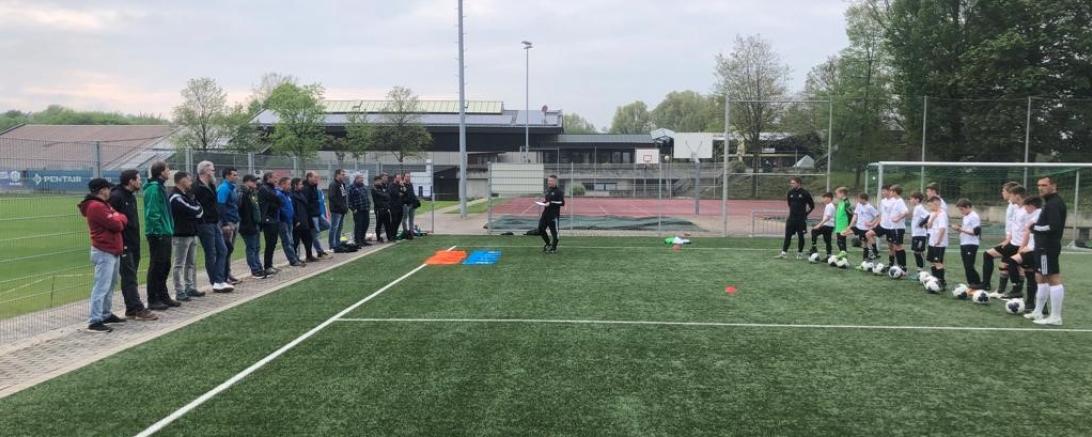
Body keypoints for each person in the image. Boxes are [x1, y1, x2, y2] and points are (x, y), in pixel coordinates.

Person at [79, 178, 128, 333]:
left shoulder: (104, 205)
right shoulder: (96, 206)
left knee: (110, 285)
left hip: (111, 250)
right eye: (108, 188)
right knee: (101, 286)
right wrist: (118, 217)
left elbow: (121, 217)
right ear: (102, 190)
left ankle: (105, 314)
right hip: (104, 250)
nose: (110, 191)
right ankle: (95, 320)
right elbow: (117, 224)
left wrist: (118, 217)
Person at [108, 169, 156, 321]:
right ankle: (138, 308)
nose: (140, 181)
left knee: (131, 276)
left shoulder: (131, 196)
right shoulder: (116, 196)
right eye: (138, 179)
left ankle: (130, 309)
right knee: (129, 277)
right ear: (131, 181)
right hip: (123, 244)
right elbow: (111, 220)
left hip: (134, 243)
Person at [1028, 176, 1068, 326]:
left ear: (1053, 186)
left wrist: (1035, 227)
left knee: (1052, 278)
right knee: (1041, 277)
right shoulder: (1049, 202)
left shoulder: (1054, 203)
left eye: (1044, 185)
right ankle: (1038, 311)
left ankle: (1056, 317)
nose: (1040, 188)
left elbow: (1053, 227)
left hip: (1047, 247)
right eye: (1039, 185)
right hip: (1042, 247)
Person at [193, 161, 232, 293]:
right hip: (204, 224)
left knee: (223, 250)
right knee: (211, 252)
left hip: (214, 223)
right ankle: (216, 281)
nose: (214, 172)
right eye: (212, 170)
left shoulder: (211, 185)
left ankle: (220, 279)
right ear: (205, 171)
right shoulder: (197, 187)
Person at [143, 161, 177, 310]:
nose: (169, 171)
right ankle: (153, 299)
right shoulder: (154, 189)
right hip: (158, 233)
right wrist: (158, 232)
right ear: (161, 172)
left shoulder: (160, 187)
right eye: (167, 169)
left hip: (165, 231)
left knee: (165, 265)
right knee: (156, 265)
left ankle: (163, 295)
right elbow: (152, 212)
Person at [169, 172, 204, 302]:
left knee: (191, 263)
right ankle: (180, 291)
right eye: (189, 180)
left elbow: (199, 211)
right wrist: (197, 209)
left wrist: (197, 209)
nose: (191, 183)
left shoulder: (187, 195)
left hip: (192, 232)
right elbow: (195, 210)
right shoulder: (176, 197)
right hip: (181, 234)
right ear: (182, 180)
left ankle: (190, 287)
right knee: (179, 264)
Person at [982, 183, 1022, 295]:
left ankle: (986, 284)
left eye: (1003, 190)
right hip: (1012, 240)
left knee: (988, 255)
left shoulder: (1015, 206)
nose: (1002, 193)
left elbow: (1016, 225)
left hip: (1015, 241)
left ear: (1010, 192)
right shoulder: (1011, 205)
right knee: (1004, 265)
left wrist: (1009, 239)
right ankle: (1001, 291)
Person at [1010, 197, 1043, 307]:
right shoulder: (1035, 215)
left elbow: (1028, 230)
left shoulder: (1039, 214)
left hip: (1035, 249)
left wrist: (1023, 247)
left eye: (1026, 207)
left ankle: (1017, 288)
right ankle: (1030, 302)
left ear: (1031, 206)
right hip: (1032, 248)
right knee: (1030, 275)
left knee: (1014, 262)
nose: (1025, 209)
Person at [237, 174, 267, 279]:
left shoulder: (252, 193)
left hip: (255, 224)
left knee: (257, 247)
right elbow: (240, 210)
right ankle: (255, 270)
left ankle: (259, 267)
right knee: (251, 248)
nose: (255, 183)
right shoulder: (242, 194)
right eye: (253, 181)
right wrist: (246, 223)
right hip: (247, 225)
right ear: (246, 181)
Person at [779, 176, 814, 259]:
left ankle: (799, 253)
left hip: (801, 219)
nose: (792, 184)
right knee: (787, 235)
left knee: (801, 236)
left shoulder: (805, 193)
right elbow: (789, 204)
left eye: (793, 183)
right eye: (791, 183)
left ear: (798, 183)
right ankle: (783, 253)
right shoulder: (790, 192)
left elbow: (812, 206)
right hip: (791, 218)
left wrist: (805, 214)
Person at [217, 167, 241, 285]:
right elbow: (220, 206)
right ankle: (223, 276)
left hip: (234, 221)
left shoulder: (233, 188)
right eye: (234, 175)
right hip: (228, 223)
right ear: (227, 175)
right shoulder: (223, 188)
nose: (236, 177)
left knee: (229, 250)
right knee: (225, 250)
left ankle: (228, 273)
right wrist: (225, 223)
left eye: (236, 175)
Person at [951, 199, 982, 288]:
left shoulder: (974, 216)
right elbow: (967, 229)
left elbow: (976, 232)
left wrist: (960, 229)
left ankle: (976, 283)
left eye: (962, 209)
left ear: (968, 207)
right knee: (966, 265)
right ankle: (972, 283)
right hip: (964, 243)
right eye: (960, 209)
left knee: (969, 265)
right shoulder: (965, 216)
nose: (961, 211)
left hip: (971, 244)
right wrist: (959, 228)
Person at [276, 177, 305, 267]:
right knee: (287, 241)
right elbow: (280, 209)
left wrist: (293, 218)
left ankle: (295, 257)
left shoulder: (287, 195)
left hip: (289, 220)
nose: (290, 186)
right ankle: (293, 260)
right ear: (283, 184)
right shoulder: (279, 194)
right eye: (288, 184)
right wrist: (284, 217)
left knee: (291, 241)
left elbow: (290, 208)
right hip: (283, 221)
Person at [258, 172, 282, 275]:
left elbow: (278, 201)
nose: (276, 179)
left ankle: (270, 265)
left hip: (273, 218)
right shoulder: (264, 189)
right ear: (268, 178)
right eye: (275, 177)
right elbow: (277, 199)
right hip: (268, 219)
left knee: (273, 243)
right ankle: (267, 266)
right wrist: (276, 201)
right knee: (270, 243)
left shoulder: (271, 188)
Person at [845, 193, 879, 261]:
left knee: (866, 242)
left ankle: (875, 251)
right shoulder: (859, 205)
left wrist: (871, 223)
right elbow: (855, 215)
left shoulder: (869, 207)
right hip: (858, 227)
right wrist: (850, 226)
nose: (858, 200)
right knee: (863, 243)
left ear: (863, 199)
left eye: (859, 199)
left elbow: (877, 216)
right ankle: (865, 258)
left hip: (866, 229)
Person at [302, 172, 328, 258]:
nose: (317, 179)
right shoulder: (306, 188)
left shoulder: (314, 187)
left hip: (318, 213)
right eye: (315, 177)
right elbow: (306, 203)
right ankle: (319, 251)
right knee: (314, 234)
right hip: (312, 215)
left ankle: (315, 235)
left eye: (317, 177)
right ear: (309, 177)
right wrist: (311, 213)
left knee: (327, 225)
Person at [925, 196, 949, 290]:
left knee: (938, 262)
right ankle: (935, 280)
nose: (929, 207)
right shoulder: (932, 213)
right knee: (932, 261)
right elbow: (928, 226)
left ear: (936, 204)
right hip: (932, 241)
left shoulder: (942, 214)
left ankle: (942, 282)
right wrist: (933, 217)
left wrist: (939, 240)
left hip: (939, 242)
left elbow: (942, 228)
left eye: (930, 205)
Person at [291, 178, 317, 262]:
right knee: (296, 241)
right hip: (298, 221)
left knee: (308, 239)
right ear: (295, 185)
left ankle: (309, 256)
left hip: (305, 220)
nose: (302, 186)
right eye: (300, 184)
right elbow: (292, 210)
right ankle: (294, 258)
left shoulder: (301, 194)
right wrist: (296, 220)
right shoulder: (292, 196)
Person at [537, 175, 565, 253]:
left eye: (551, 181)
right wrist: (543, 203)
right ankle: (548, 244)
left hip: (553, 215)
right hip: (545, 214)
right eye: (548, 181)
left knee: (555, 233)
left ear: (555, 181)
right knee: (540, 229)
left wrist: (551, 203)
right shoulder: (548, 190)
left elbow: (562, 203)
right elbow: (547, 201)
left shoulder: (559, 191)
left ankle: (554, 248)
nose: (549, 182)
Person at [908, 192, 930, 275]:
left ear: (917, 200)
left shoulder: (919, 208)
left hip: (920, 234)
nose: (910, 200)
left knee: (918, 252)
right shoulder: (916, 208)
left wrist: (921, 224)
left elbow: (929, 215)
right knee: (916, 252)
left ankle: (922, 270)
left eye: (911, 199)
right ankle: (920, 269)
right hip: (916, 234)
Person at [327, 169, 349, 250]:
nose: (344, 176)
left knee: (339, 228)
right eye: (342, 174)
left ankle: (337, 243)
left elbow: (343, 196)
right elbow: (332, 197)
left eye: (344, 174)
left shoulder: (342, 184)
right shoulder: (333, 184)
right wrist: (341, 206)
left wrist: (345, 207)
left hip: (342, 210)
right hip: (336, 210)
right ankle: (332, 245)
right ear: (337, 175)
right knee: (334, 227)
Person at [809, 192, 835, 259]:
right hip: (829, 226)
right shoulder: (829, 205)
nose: (823, 200)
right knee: (827, 241)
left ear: (829, 198)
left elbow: (828, 218)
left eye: (824, 198)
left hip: (827, 225)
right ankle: (828, 255)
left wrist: (819, 225)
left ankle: (814, 248)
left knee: (814, 231)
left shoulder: (830, 206)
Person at [348, 174, 371, 246]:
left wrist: (368, 205)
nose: (362, 180)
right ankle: (358, 241)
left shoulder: (364, 186)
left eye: (362, 178)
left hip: (365, 209)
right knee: (359, 225)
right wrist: (353, 209)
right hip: (358, 210)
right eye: (361, 178)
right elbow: (349, 200)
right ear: (356, 179)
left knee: (366, 224)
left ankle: (362, 239)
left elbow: (366, 197)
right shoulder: (351, 187)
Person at [372, 175, 392, 242]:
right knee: (379, 225)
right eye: (379, 181)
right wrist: (385, 196)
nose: (380, 182)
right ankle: (378, 238)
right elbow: (381, 196)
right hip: (379, 209)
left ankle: (389, 237)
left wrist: (385, 196)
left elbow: (388, 196)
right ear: (376, 181)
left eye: (380, 180)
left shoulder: (382, 187)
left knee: (388, 224)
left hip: (386, 209)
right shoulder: (374, 189)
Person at [832, 187, 852, 254]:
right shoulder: (840, 202)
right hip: (839, 225)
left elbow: (850, 214)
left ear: (842, 193)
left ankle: (843, 256)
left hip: (843, 225)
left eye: (837, 194)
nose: (836, 196)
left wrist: (849, 226)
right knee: (840, 241)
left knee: (840, 241)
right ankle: (843, 256)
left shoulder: (846, 202)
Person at [401, 173, 419, 240]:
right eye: (407, 176)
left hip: (412, 204)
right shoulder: (402, 185)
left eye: (409, 176)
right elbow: (404, 194)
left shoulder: (411, 184)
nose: (408, 178)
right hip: (405, 205)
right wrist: (403, 185)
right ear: (404, 177)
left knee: (411, 219)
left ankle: (411, 232)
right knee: (404, 219)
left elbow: (412, 194)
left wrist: (415, 201)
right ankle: (405, 232)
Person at [388, 173, 404, 240]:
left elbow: (405, 192)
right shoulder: (391, 185)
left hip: (400, 206)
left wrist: (403, 186)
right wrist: (399, 193)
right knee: (394, 221)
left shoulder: (400, 185)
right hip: (393, 206)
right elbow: (394, 193)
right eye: (398, 178)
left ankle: (394, 234)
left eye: (400, 178)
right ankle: (391, 235)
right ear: (395, 178)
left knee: (398, 221)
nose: (400, 179)